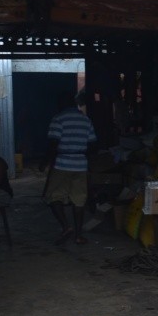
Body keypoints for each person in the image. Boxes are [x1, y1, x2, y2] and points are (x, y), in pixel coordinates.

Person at [43, 90, 97, 245]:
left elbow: (53, 144)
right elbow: (93, 145)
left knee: (52, 197)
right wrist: (80, 152)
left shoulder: (58, 119)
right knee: (79, 201)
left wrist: (45, 162)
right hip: (80, 165)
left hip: (62, 164)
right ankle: (78, 236)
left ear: (61, 104)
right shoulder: (86, 120)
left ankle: (66, 226)